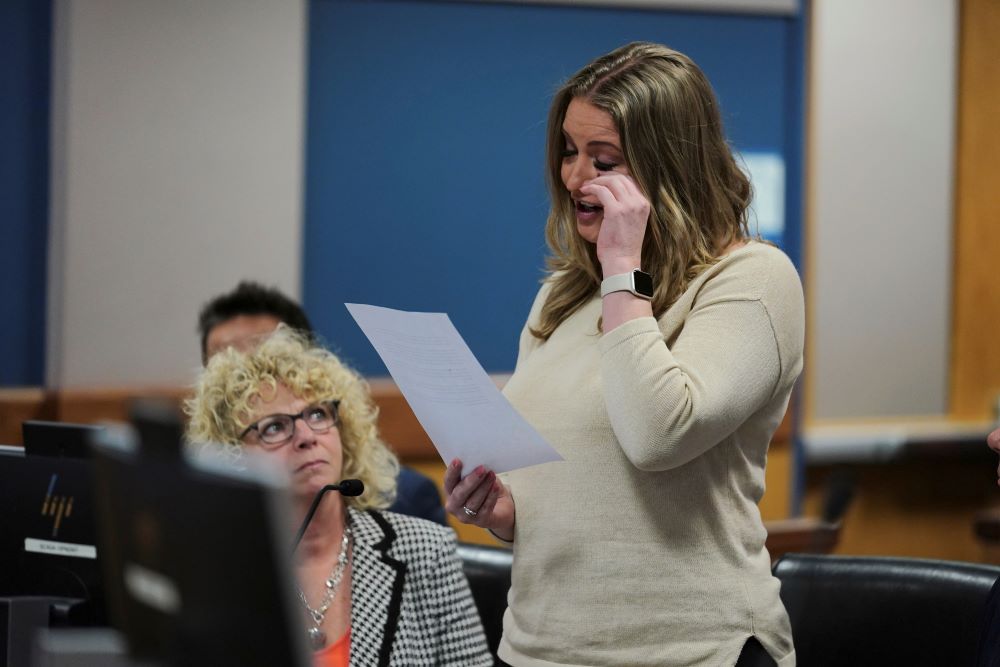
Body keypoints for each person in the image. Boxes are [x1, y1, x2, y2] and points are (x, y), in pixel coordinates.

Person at [443, 42, 803, 666]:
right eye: (568, 151)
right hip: (538, 647)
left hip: (693, 650)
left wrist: (621, 268)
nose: (577, 177)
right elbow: (578, 473)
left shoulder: (752, 278)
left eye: (603, 159)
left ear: (672, 169)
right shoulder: (561, 295)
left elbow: (658, 435)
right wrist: (509, 511)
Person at [185, 328, 492, 667]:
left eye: (317, 414)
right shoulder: (214, 570)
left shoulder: (427, 550)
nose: (305, 436)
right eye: (274, 427)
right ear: (232, 457)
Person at [196, 281, 448, 526]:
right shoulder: (203, 519)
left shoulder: (408, 507)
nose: (247, 376)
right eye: (224, 363)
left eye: (268, 351)